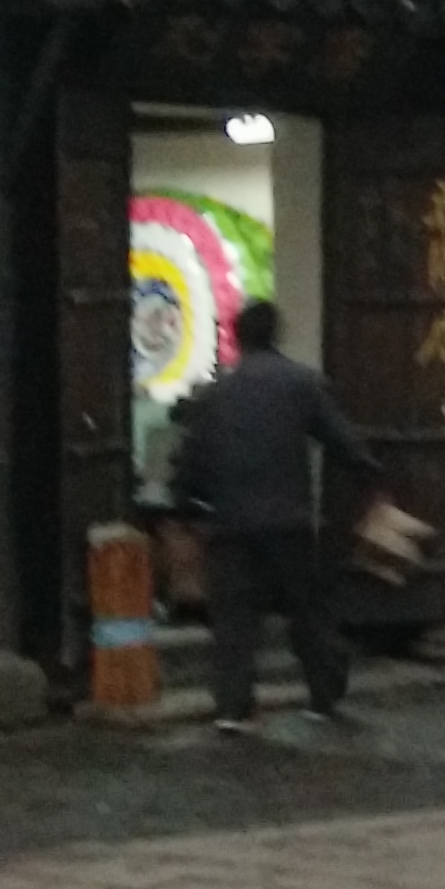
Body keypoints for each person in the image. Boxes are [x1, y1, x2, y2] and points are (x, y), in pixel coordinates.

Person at [168, 299, 378, 730]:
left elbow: (189, 460)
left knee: (234, 621)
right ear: (275, 335)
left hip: (230, 524)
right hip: (289, 524)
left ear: (237, 337)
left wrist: (187, 508)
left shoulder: (214, 395)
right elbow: (341, 440)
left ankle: (232, 706)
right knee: (307, 614)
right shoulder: (301, 384)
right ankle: (323, 697)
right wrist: (370, 478)